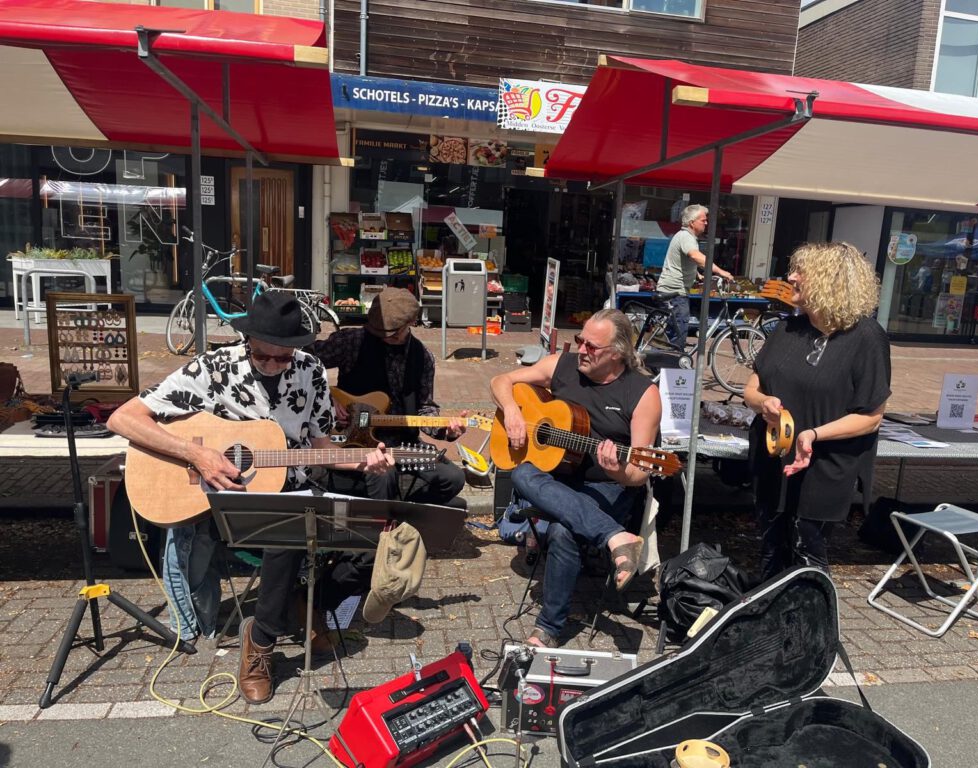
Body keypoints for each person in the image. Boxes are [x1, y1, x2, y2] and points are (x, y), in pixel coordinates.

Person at [108, 291, 392, 704]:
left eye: (283, 358)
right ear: (248, 342)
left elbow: (319, 445)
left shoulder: (310, 369)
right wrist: (197, 454)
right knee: (288, 531)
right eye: (263, 357)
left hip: (293, 487)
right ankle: (261, 641)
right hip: (228, 500)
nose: (274, 365)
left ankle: (307, 600)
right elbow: (123, 418)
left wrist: (363, 460)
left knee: (369, 518)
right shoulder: (214, 368)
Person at [489, 308, 660, 648]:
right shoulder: (561, 366)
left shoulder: (643, 394)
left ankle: (547, 629)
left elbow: (639, 474)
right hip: (556, 482)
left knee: (564, 530)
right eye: (580, 340)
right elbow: (500, 381)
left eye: (591, 346)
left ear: (617, 353)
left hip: (607, 486)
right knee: (521, 472)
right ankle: (615, 537)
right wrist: (511, 410)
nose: (581, 349)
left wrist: (615, 468)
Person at [743, 242, 891, 580]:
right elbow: (751, 389)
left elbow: (871, 417)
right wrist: (763, 403)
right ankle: (770, 612)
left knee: (807, 558)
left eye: (801, 272)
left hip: (824, 466)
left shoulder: (867, 337)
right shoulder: (787, 329)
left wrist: (813, 434)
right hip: (773, 459)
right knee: (770, 553)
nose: (791, 277)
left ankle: (810, 614)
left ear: (830, 281)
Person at [311, 287, 466, 506]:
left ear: (411, 322)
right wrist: (327, 397)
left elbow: (424, 408)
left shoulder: (423, 357)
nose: (384, 337)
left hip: (404, 443)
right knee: (383, 474)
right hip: (356, 441)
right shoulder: (352, 341)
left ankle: (402, 512)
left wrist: (446, 430)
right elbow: (304, 362)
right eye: (378, 332)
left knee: (453, 478)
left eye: (392, 333)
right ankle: (384, 522)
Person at [657, 204, 734, 346]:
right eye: (703, 220)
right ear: (692, 222)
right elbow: (696, 256)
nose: (706, 223)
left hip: (672, 291)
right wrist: (721, 271)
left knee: (673, 332)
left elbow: (683, 261)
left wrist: (697, 275)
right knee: (678, 336)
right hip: (675, 293)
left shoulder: (684, 236)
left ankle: (667, 354)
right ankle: (672, 358)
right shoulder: (686, 237)